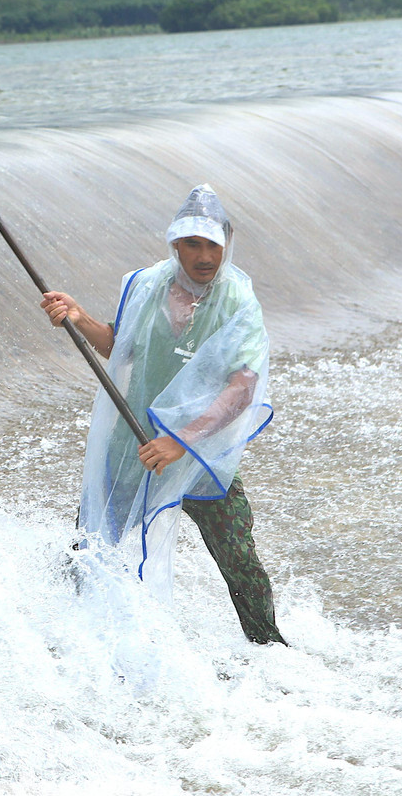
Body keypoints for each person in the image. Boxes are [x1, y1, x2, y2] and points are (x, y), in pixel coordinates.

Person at [41, 184, 286, 645]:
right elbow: (119, 346)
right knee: (89, 550)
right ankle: (67, 642)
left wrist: (182, 440)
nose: (204, 255)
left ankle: (269, 650)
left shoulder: (238, 301)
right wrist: (78, 316)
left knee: (239, 560)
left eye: (213, 244)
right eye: (193, 243)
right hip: (134, 447)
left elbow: (243, 387)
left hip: (200, 454)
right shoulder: (146, 284)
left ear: (226, 243)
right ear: (176, 243)